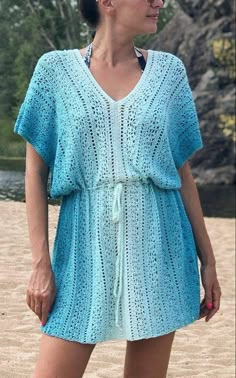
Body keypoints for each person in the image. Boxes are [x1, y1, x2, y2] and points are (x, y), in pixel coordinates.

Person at [13, 0, 222, 377]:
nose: (158, 1)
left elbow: (181, 172)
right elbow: (35, 170)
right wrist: (41, 265)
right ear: (107, 2)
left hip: (160, 243)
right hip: (81, 245)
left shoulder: (169, 72)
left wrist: (208, 260)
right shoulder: (55, 71)